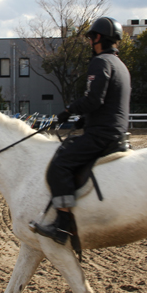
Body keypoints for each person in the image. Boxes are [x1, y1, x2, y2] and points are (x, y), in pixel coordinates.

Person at [31, 16, 131, 245]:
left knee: (59, 164)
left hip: (102, 136)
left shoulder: (100, 62)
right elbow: (109, 104)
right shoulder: (120, 65)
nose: (89, 42)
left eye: (90, 38)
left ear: (98, 38)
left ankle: (63, 225)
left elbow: (94, 99)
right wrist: (84, 121)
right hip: (114, 130)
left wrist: (68, 111)